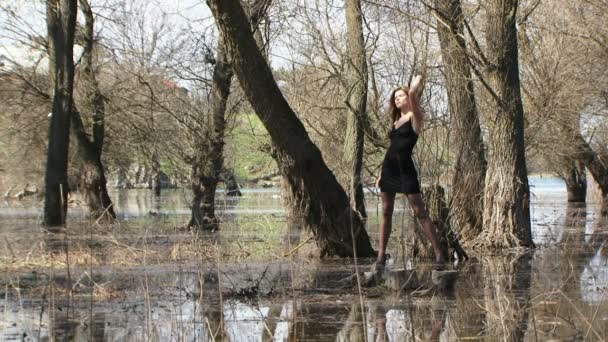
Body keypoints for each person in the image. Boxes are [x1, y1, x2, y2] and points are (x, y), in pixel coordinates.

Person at [374, 75, 446, 271]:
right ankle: (381, 255)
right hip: (388, 169)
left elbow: (414, 98)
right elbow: (392, 147)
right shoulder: (396, 121)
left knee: (420, 212)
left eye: (401, 96)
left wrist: (413, 89)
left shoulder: (415, 118)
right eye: (395, 97)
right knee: (386, 212)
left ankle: (439, 253)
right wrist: (381, 174)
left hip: (405, 170)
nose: (397, 99)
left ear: (408, 97)